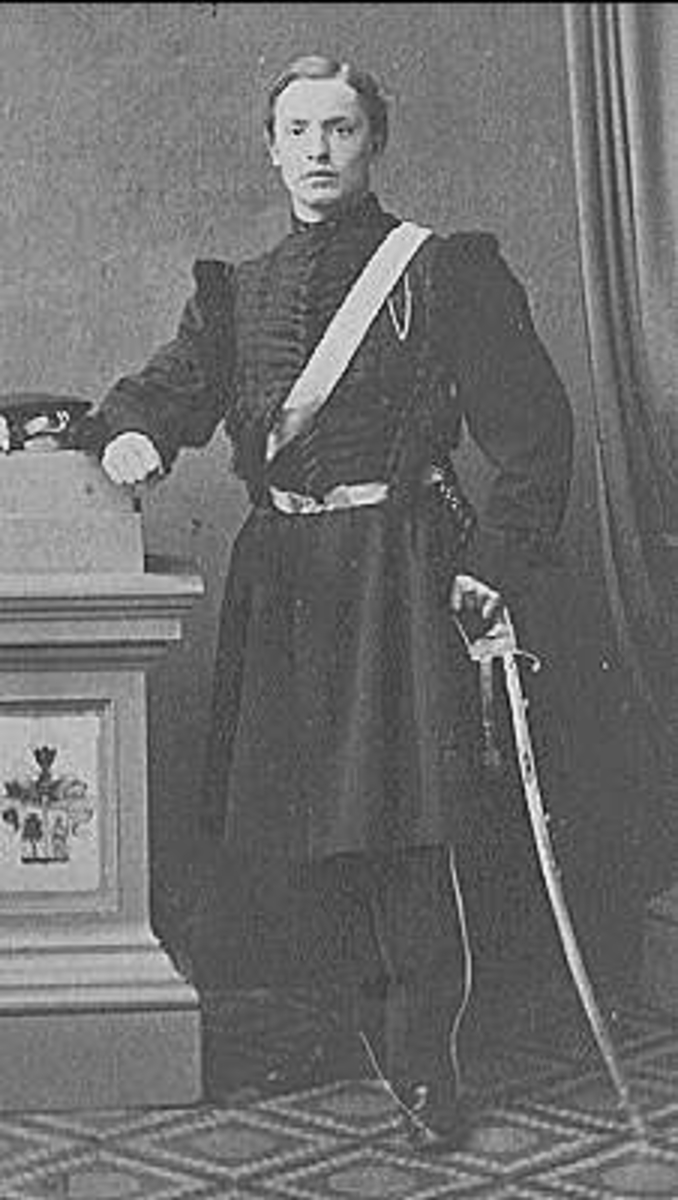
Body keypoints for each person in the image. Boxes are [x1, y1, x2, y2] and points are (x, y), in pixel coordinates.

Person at [83, 55, 573, 1150]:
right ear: (270, 149)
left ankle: (424, 1058)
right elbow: (170, 388)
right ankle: (344, 1028)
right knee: (295, 821)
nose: (318, 150)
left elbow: (536, 431)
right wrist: (134, 433)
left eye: (341, 129)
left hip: (395, 574)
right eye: (298, 130)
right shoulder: (238, 292)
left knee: (403, 822)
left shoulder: (439, 272)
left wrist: (492, 562)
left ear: (373, 142)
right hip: (284, 580)